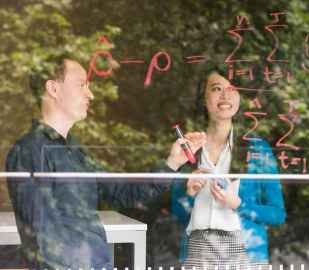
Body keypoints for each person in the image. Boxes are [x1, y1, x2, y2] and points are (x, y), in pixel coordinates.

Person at [6, 56, 169, 270]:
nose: (90, 94)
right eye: (81, 85)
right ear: (53, 89)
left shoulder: (76, 152)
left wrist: (172, 163)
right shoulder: (29, 151)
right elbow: (44, 239)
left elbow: (121, 193)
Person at [164, 68, 286, 270]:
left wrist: (239, 204)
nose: (225, 95)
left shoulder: (257, 149)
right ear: (203, 98)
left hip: (245, 253)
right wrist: (189, 194)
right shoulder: (189, 148)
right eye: (216, 88)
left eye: (231, 89)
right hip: (198, 251)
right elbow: (178, 212)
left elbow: (277, 214)